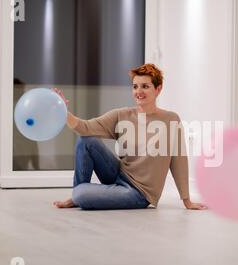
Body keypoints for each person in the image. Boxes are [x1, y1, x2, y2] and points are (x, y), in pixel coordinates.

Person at [54, 63, 206, 211]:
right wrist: (63, 112)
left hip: (139, 193)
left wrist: (186, 200)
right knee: (86, 140)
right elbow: (85, 127)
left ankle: (79, 195)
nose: (139, 91)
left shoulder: (171, 119)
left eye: (145, 86)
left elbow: (178, 160)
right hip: (119, 175)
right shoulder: (122, 115)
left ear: (158, 89)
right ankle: (76, 197)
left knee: (82, 194)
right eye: (135, 86)